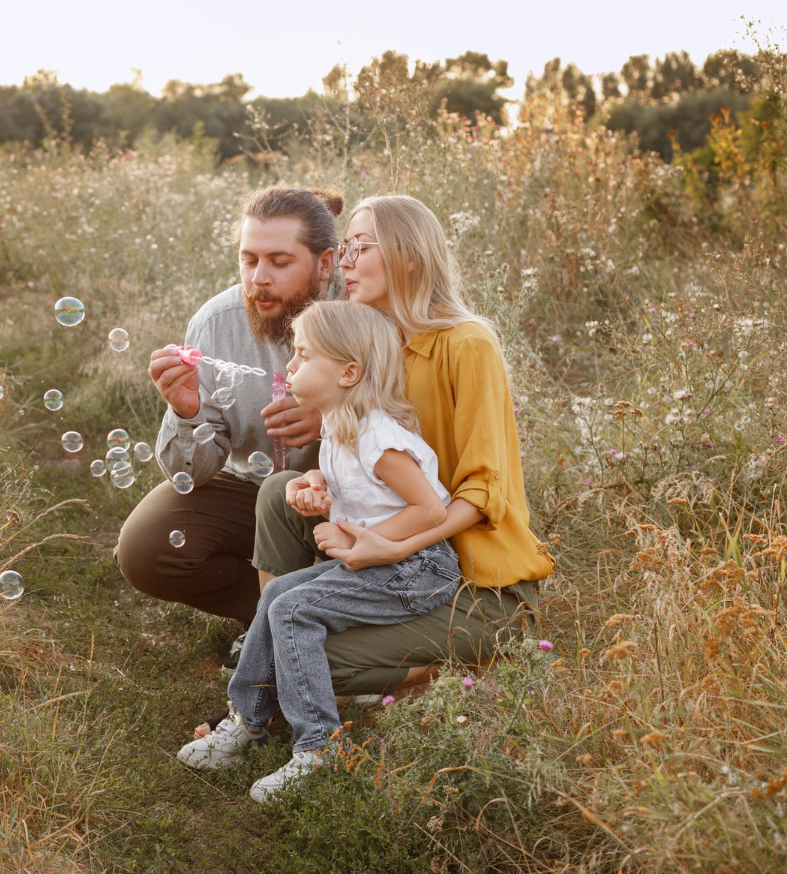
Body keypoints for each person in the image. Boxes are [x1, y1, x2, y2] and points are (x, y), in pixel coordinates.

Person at [249, 194, 556, 699]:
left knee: (314, 661)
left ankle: (460, 666)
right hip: (396, 569)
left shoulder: (466, 343)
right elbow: (362, 461)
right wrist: (317, 480)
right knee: (279, 491)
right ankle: (271, 661)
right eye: (344, 248)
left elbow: (484, 490)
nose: (344, 262)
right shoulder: (370, 347)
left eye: (359, 247)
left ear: (407, 255)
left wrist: (392, 546)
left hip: (474, 583)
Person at [176, 300, 462, 801]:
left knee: (292, 610)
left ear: (349, 372)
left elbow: (431, 513)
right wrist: (311, 480)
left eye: (303, 356)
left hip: (417, 569)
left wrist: (354, 537)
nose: (289, 367)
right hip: (387, 562)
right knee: (277, 595)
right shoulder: (338, 421)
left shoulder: (380, 439)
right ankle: (250, 719)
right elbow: (342, 480)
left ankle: (318, 747)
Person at [114, 186, 342, 627]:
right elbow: (192, 474)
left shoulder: (362, 313)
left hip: (346, 495)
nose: (259, 278)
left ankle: (334, 624)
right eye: (249, 259)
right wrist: (185, 411)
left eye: (279, 262)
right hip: (249, 491)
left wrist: (331, 419)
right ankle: (268, 623)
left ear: (325, 264)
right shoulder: (216, 324)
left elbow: (411, 422)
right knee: (146, 547)